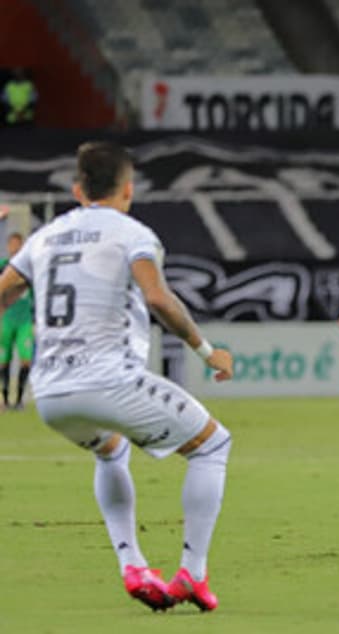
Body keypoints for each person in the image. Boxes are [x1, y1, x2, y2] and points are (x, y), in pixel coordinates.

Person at [0, 141, 235, 611]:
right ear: (128, 189)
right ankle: (192, 573)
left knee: (111, 450)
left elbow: (3, 293)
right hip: (108, 380)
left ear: (77, 189)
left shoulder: (45, 237)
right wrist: (208, 352)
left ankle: (133, 565)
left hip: (51, 394)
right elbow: (158, 298)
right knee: (212, 445)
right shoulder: (132, 234)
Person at [0, 232, 34, 409]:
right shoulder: (3, 266)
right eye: (12, 244)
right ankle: (5, 399)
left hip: (25, 319)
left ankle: (19, 400)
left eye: (18, 244)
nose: (15, 247)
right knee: (3, 360)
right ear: (8, 246)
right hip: (6, 319)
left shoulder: (30, 267)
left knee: (26, 360)